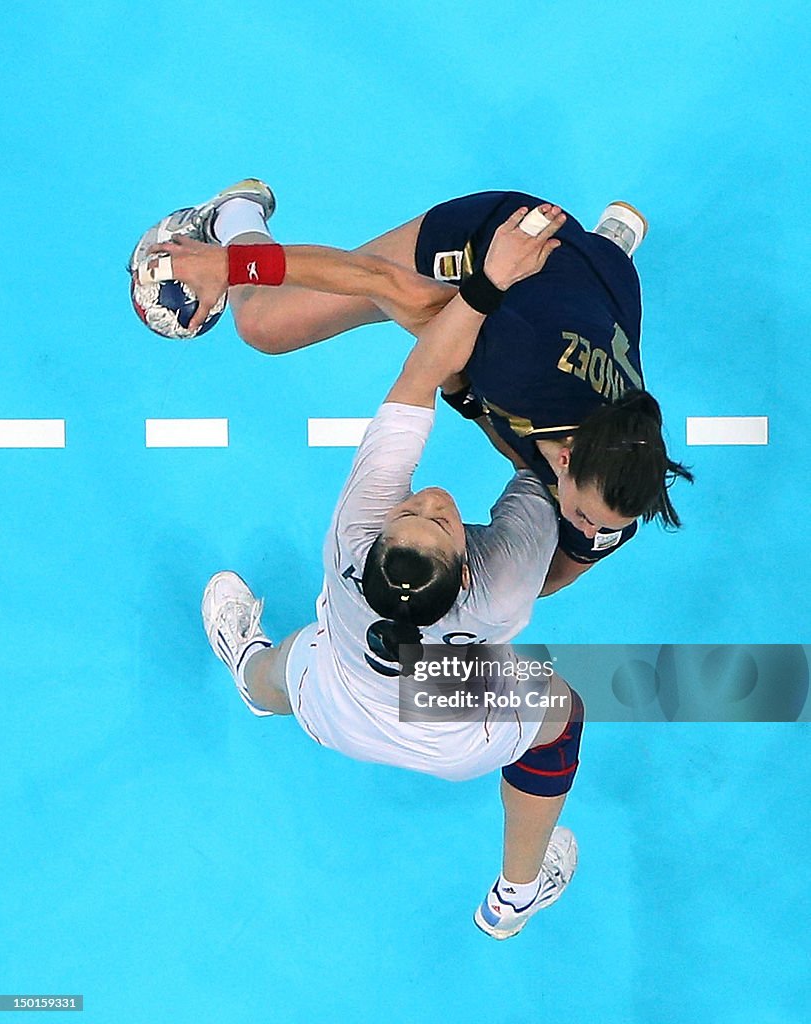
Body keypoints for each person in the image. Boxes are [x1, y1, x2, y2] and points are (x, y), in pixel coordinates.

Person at [199, 206, 585, 939]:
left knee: (287, 669)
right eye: (440, 519)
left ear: (372, 553)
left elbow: (419, 369)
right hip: (457, 737)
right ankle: (513, 895)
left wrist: (480, 298)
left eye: (417, 510)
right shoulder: (500, 590)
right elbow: (537, 469)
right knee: (560, 717)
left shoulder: (353, 533)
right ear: (463, 565)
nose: (432, 497)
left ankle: (246, 666)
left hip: (337, 702)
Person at [138, 180, 693, 595]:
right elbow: (377, 281)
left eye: (606, 526)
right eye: (591, 518)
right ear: (567, 457)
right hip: (496, 245)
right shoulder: (512, 360)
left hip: (605, 288)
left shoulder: (625, 474)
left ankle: (608, 242)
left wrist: (449, 587)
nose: (593, 529)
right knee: (265, 325)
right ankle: (234, 215)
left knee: (520, 414)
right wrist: (232, 264)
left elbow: (546, 575)